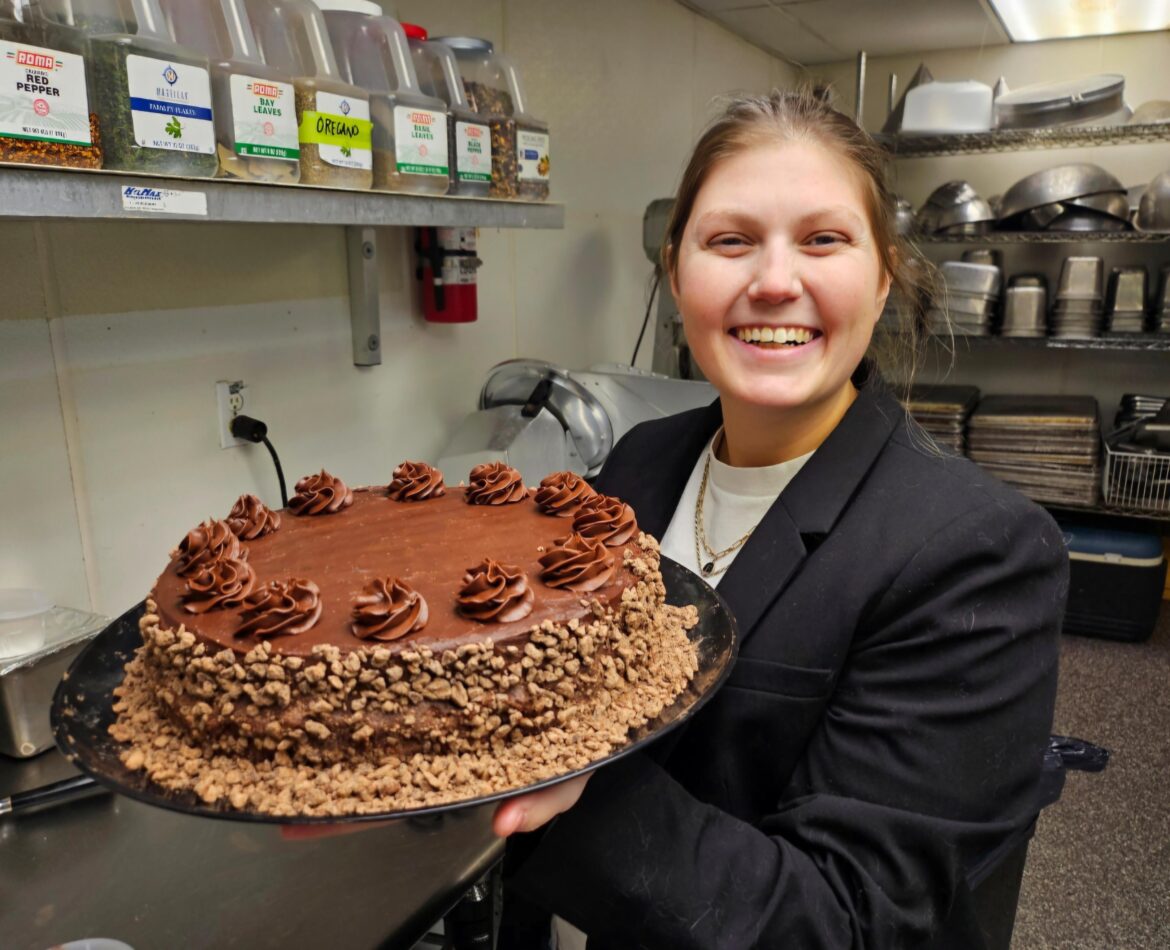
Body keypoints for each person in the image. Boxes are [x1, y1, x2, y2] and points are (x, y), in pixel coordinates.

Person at [491, 89, 1068, 950]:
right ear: (676, 271)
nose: (772, 282)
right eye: (729, 241)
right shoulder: (637, 466)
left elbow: (851, 920)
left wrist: (556, 801)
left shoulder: (975, 551)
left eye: (823, 239)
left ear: (883, 278)